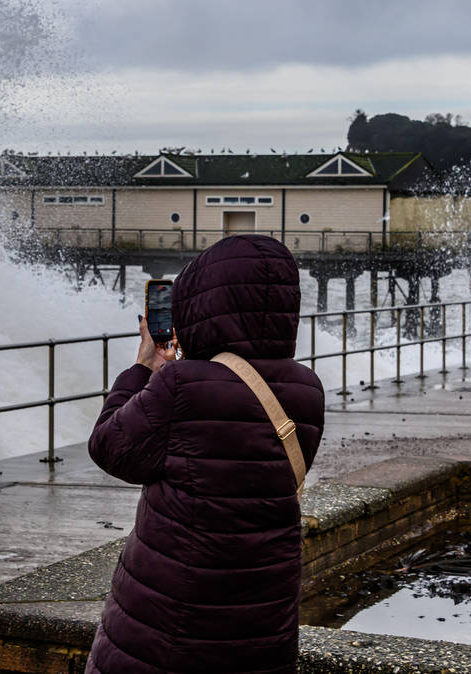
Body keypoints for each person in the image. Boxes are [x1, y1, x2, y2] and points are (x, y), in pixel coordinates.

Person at [85, 235, 325, 673]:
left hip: (168, 626)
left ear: (201, 303)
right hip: (262, 625)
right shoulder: (307, 390)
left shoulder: (181, 384)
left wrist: (145, 366)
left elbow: (110, 448)